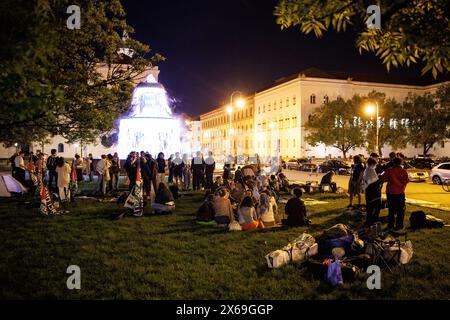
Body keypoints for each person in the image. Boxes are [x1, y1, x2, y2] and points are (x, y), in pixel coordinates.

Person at [380, 157, 409, 230]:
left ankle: (391, 225)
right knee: (400, 210)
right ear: (401, 163)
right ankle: (399, 225)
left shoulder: (389, 171)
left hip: (391, 192)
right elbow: (406, 181)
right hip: (400, 192)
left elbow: (383, 179)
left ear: (393, 162)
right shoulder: (404, 171)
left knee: (391, 210)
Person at [362, 157, 382, 226]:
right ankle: (373, 220)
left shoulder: (366, 170)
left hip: (368, 191)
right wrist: (379, 177)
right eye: (375, 164)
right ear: (373, 164)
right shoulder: (371, 170)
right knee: (376, 206)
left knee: (369, 207)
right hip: (373, 191)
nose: (375, 166)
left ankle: (369, 220)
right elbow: (375, 181)